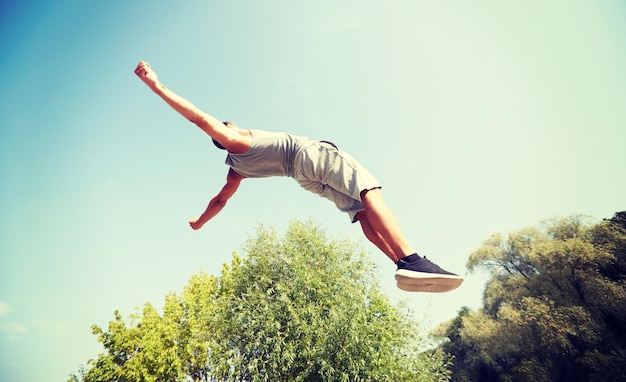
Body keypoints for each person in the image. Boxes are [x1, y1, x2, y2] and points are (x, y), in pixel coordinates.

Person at [134, 60, 463, 293]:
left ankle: (401, 265)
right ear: (224, 135)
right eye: (227, 127)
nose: (232, 126)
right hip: (310, 157)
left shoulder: (236, 170)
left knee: (361, 214)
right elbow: (200, 119)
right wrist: (156, 85)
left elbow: (220, 200)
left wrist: (200, 221)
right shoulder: (237, 141)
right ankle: (412, 259)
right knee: (369, 191)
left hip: (306, 180)